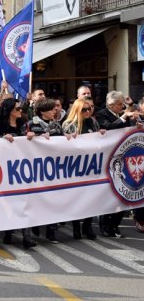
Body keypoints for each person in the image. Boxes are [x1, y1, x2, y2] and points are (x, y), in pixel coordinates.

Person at [96, 91, 143, 237]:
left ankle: (115, 225)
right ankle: (105, 225)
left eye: (122, 104)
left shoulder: (122, 113)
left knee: (122, 194)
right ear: (111, 104)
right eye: (119, 104)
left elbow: (127, 132)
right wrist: (124, 117)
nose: (122, 106)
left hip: (123, 158)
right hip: (108, 160)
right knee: (109, 194)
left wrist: (137, 125)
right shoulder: (101, 114)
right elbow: (109, 129)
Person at [0, 98, 37, 249]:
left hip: (21, 168)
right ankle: (8, 232)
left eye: (21, 109)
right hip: (4, 169)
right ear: (9, 111)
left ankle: (26, 236)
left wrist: (33, 137)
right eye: (18, 109)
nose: (21, 111)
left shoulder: (23, 124)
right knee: (10, 202)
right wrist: (1, 139)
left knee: (23, 200)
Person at [62, 98, 103, 240]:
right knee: (77, 198)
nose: (88, 112)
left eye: (89, 109)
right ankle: (75, 226)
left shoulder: (93, 122)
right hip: (75, 167)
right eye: (84, 110)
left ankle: (87, 225)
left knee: (91, 198)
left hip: (91, 165)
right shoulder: (69, 124)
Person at [27, 98, 62, 243]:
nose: (55, 111)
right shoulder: (32, 124)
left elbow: (62, 140)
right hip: (37, 168)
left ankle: (51, 231)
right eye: (51, 109)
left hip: (53, 167)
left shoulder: (56, 125)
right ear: (42, 112)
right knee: (37, 200)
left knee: (53, 199)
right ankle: (35, 225)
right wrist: (37, 137)